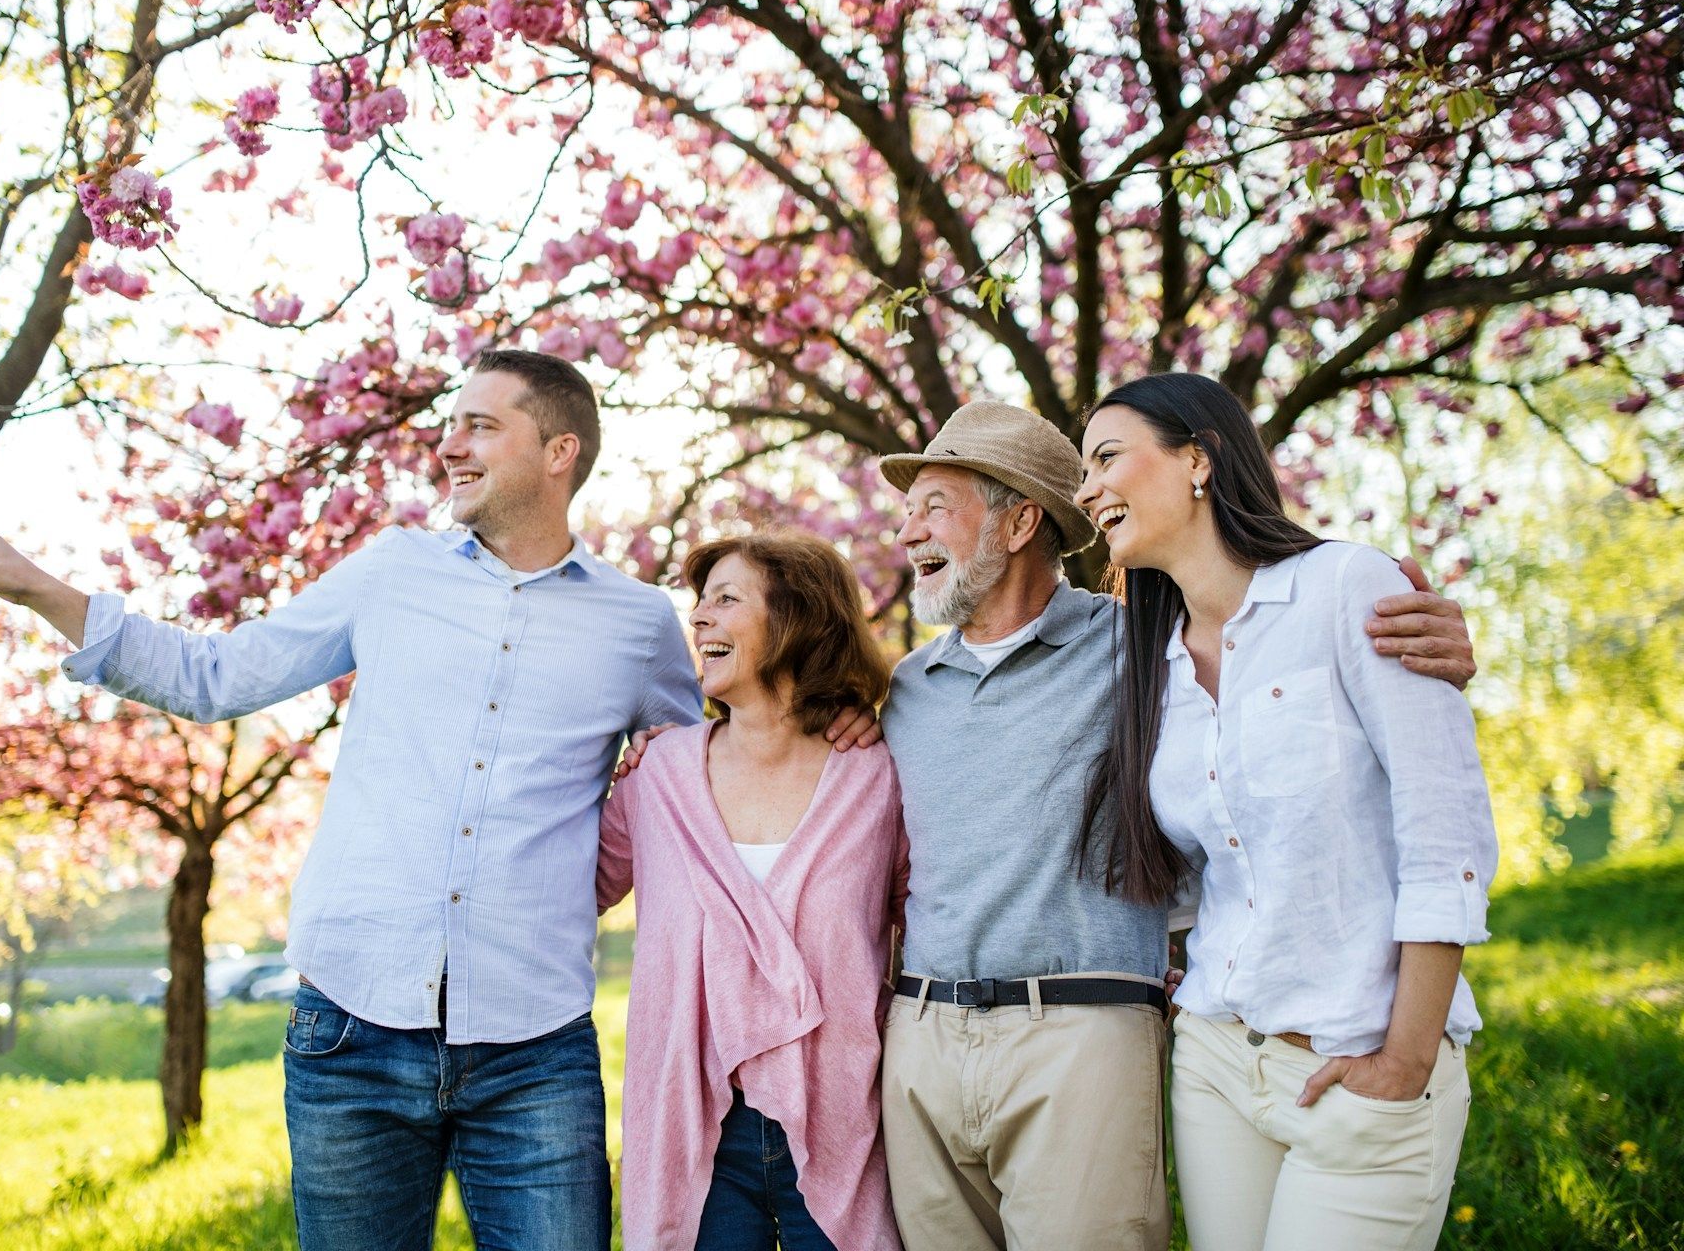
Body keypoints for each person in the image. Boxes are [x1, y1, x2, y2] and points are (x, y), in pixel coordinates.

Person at [0, 348, 878, 1251]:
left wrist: (839, 724)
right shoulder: (388, 572)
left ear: (558, 452)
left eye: (479, 426)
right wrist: (33, 585)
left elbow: (711, 765)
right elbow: (213, 676)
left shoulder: (637, 625)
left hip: (534, 1051)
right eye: (449, 425)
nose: (448, 444)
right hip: (351, 1026)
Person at [621, 397, 1477, 1251]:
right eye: (904, 510)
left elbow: (1268, 646)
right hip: (923, 1044)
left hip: (1082, 1029)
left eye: (933, 506)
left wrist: (1425, 630)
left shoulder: (1141, 645)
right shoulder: (907, 694)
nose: (906, 532)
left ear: (1021, 519)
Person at [1074, 372, 1497, 1251]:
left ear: (1199, 458)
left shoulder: (1348, 587)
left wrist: (1406, 1059)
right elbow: (1200, 866)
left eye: (1107, 457)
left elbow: (1444, 830)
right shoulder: (1149, 665)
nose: (1087, 490)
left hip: (1363, 1058)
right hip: (1221, 1063)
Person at [596, 530, 903, 1251]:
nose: (698, 618)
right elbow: (569, 892)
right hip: (695, 1135)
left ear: (797, 618)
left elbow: (930, 925)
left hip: (843, 1128)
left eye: (725, 600)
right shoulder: (659, 777)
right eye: (699, 603)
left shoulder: (876, 777)